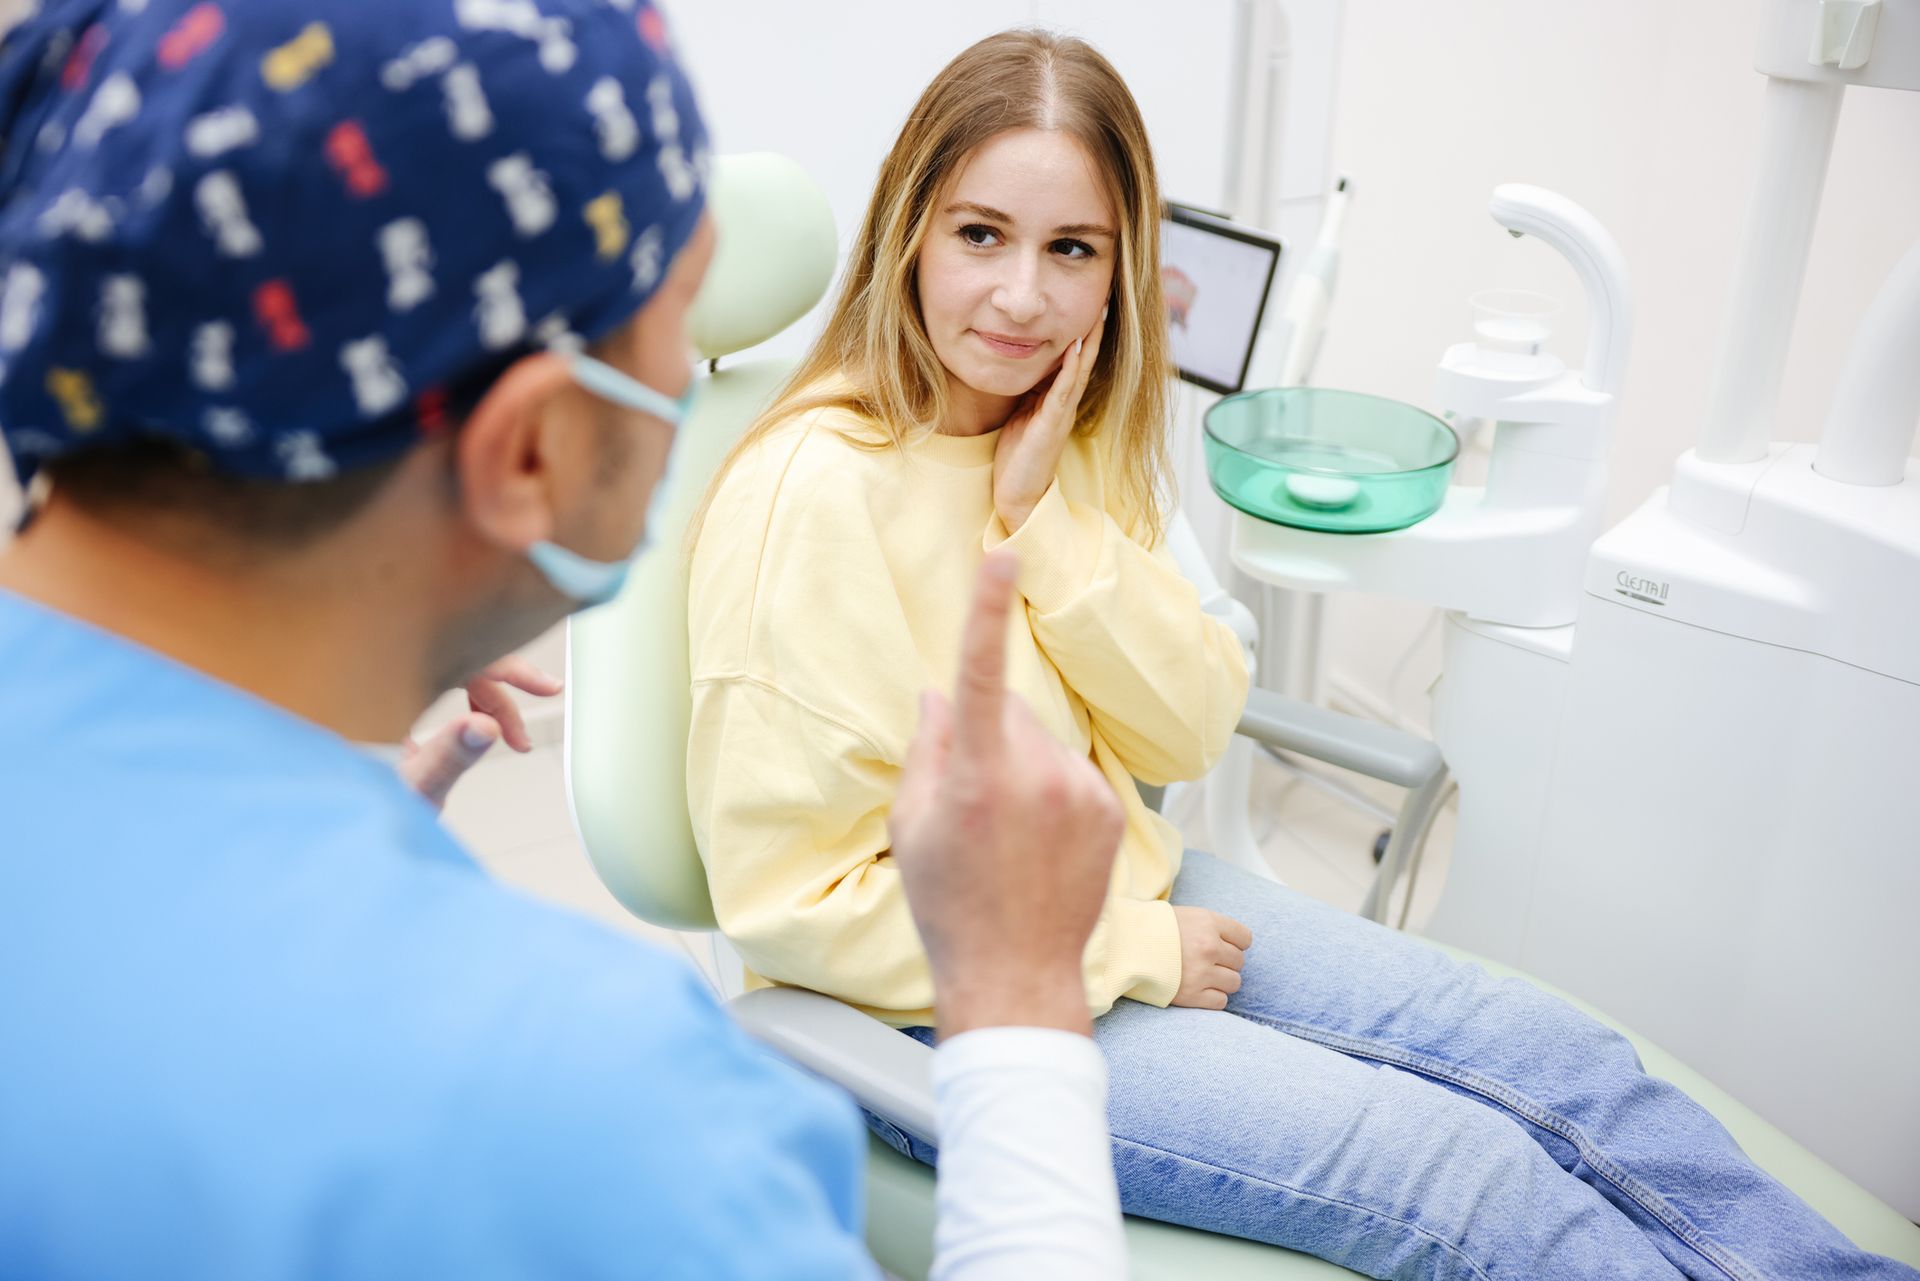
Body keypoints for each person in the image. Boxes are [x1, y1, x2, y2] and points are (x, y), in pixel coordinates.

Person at [684, 28, 1919, 1281]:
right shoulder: (813, 495)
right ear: (911, 230)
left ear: (1122, 272)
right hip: (950, 1006)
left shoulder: (1053, 429)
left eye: (1073, 250)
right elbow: (792, 909)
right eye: (981, 234)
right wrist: (1128, 952)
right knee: (1472, 1181)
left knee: (1567, 1069)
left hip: (1133, 886)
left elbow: (1186, 728)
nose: (1021, 296)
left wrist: (1041, 519)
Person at [0, 3, 1130, 1277]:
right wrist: (1023, 1010)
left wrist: (316, 850)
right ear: (535, 449)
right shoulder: (596, 1113)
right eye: (685, 311)